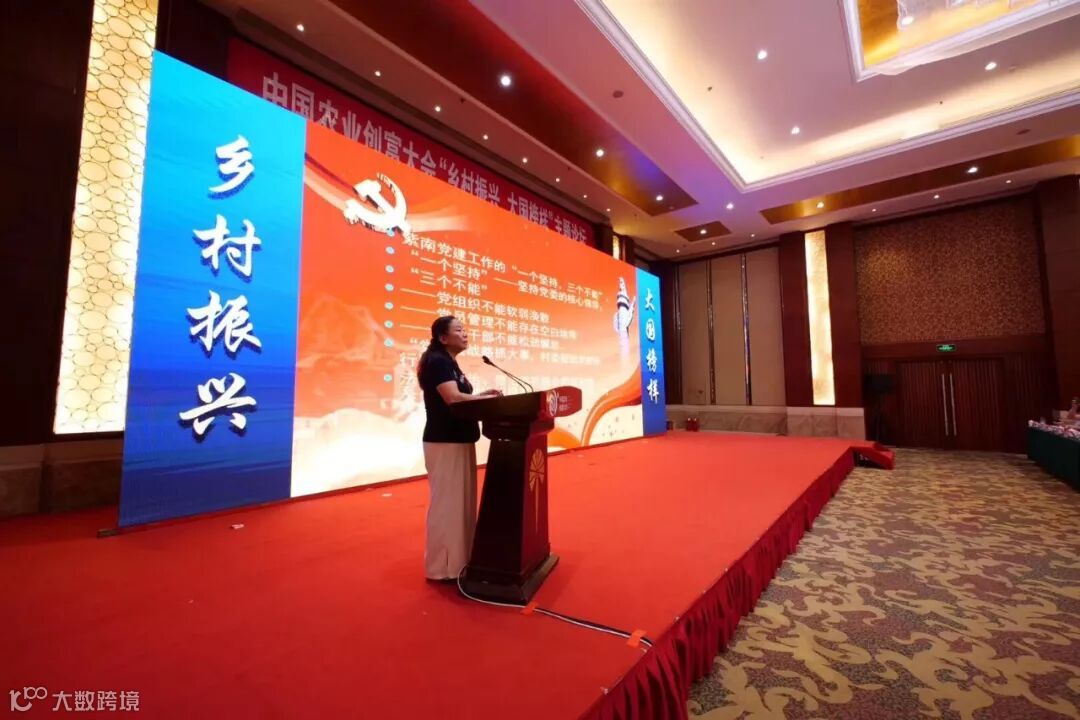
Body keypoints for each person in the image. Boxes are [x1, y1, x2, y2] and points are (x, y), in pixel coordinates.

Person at [416, 315, 502, 583]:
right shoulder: (437, 361)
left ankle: (460, 561)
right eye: (459, 330)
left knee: (461, 505)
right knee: (448, 505)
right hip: (445, 441)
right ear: (443, 337)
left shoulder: (449, 362)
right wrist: (481, 399)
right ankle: (442, 568)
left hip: (459, 439)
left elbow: (460, 397)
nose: (465, 334)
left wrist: (481, 396)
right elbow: (453, 398)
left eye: (465, 329)